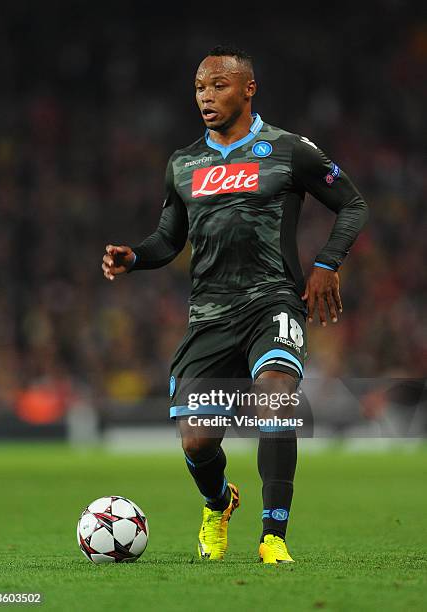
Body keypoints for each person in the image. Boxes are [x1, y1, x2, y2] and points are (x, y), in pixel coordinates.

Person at [102, 45, 368, 564]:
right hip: (210, 315)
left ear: (248, 89)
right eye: (200, 87)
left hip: (272, 301)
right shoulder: (183, 164)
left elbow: (352, 204)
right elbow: (168, 239)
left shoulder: (289, 150)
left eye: (218, 85)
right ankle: (219, 503)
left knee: (275, 397)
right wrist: (135, 256)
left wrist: (327, 263)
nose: (206, 95)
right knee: (197, 443)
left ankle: (273, 536)